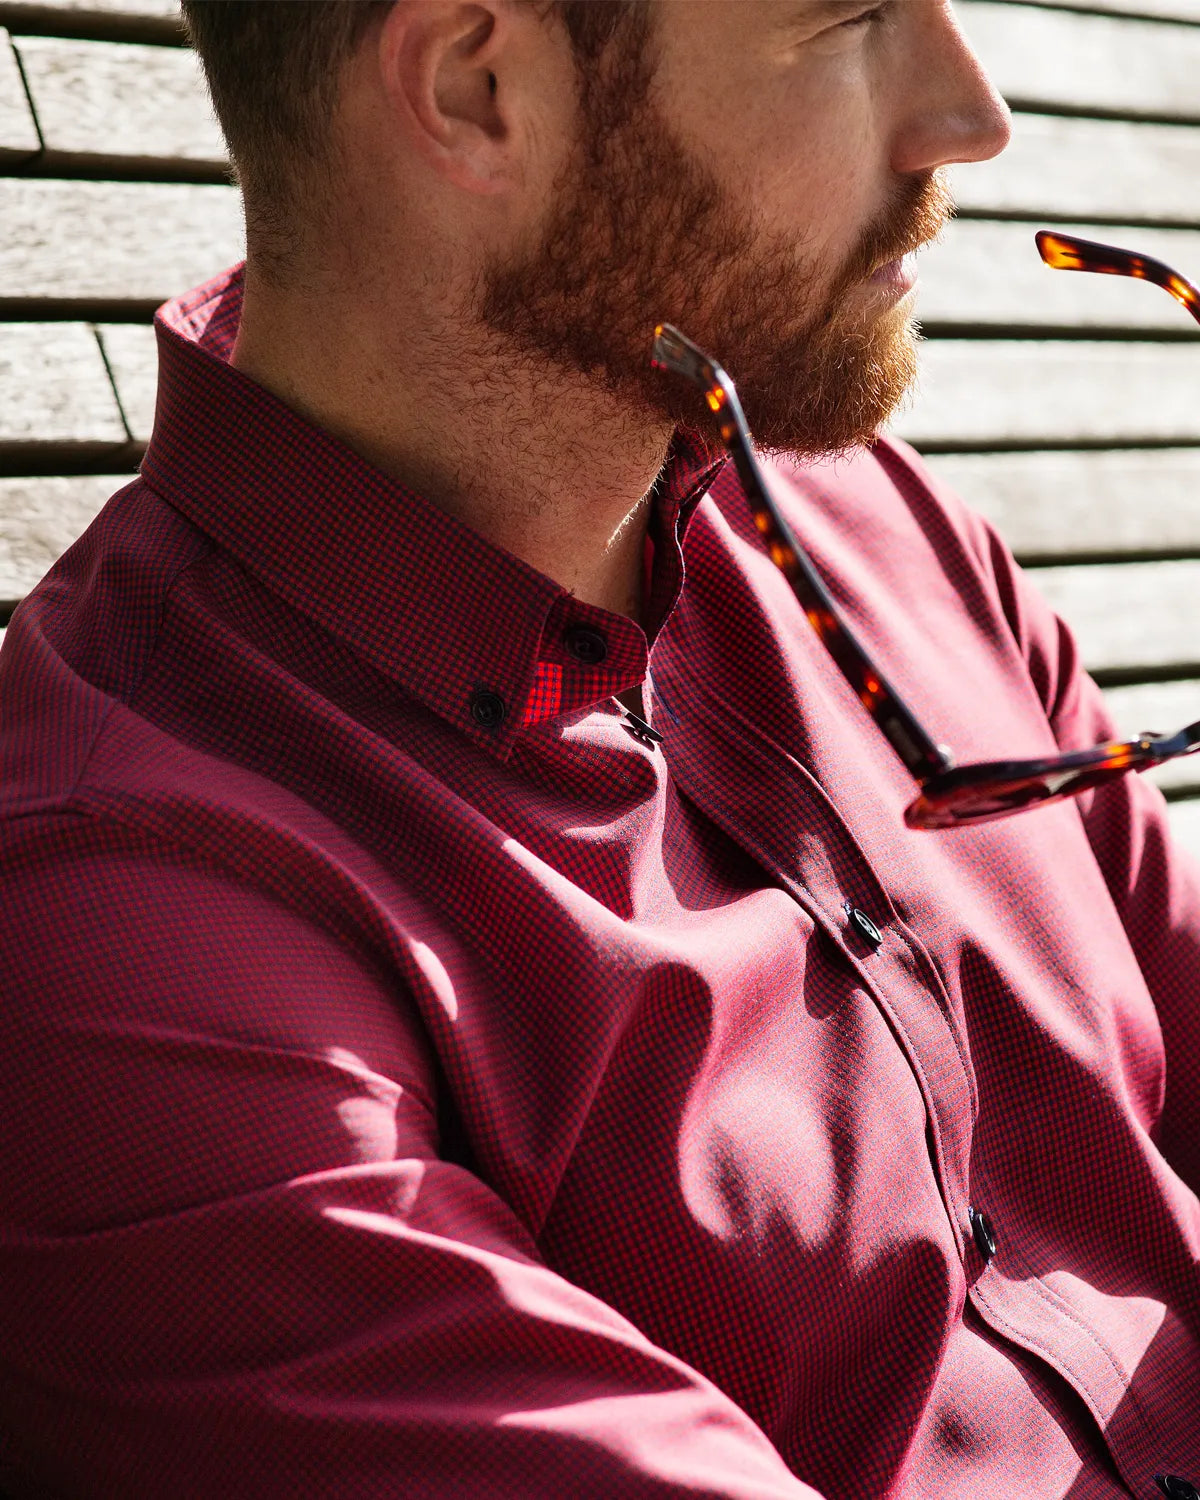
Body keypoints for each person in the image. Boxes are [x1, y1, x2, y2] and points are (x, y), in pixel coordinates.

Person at [1, 1, 1197, 1494]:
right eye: (850, 19)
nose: (971, 117)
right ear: (478, 89)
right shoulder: (117, 922)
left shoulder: (876, 529)